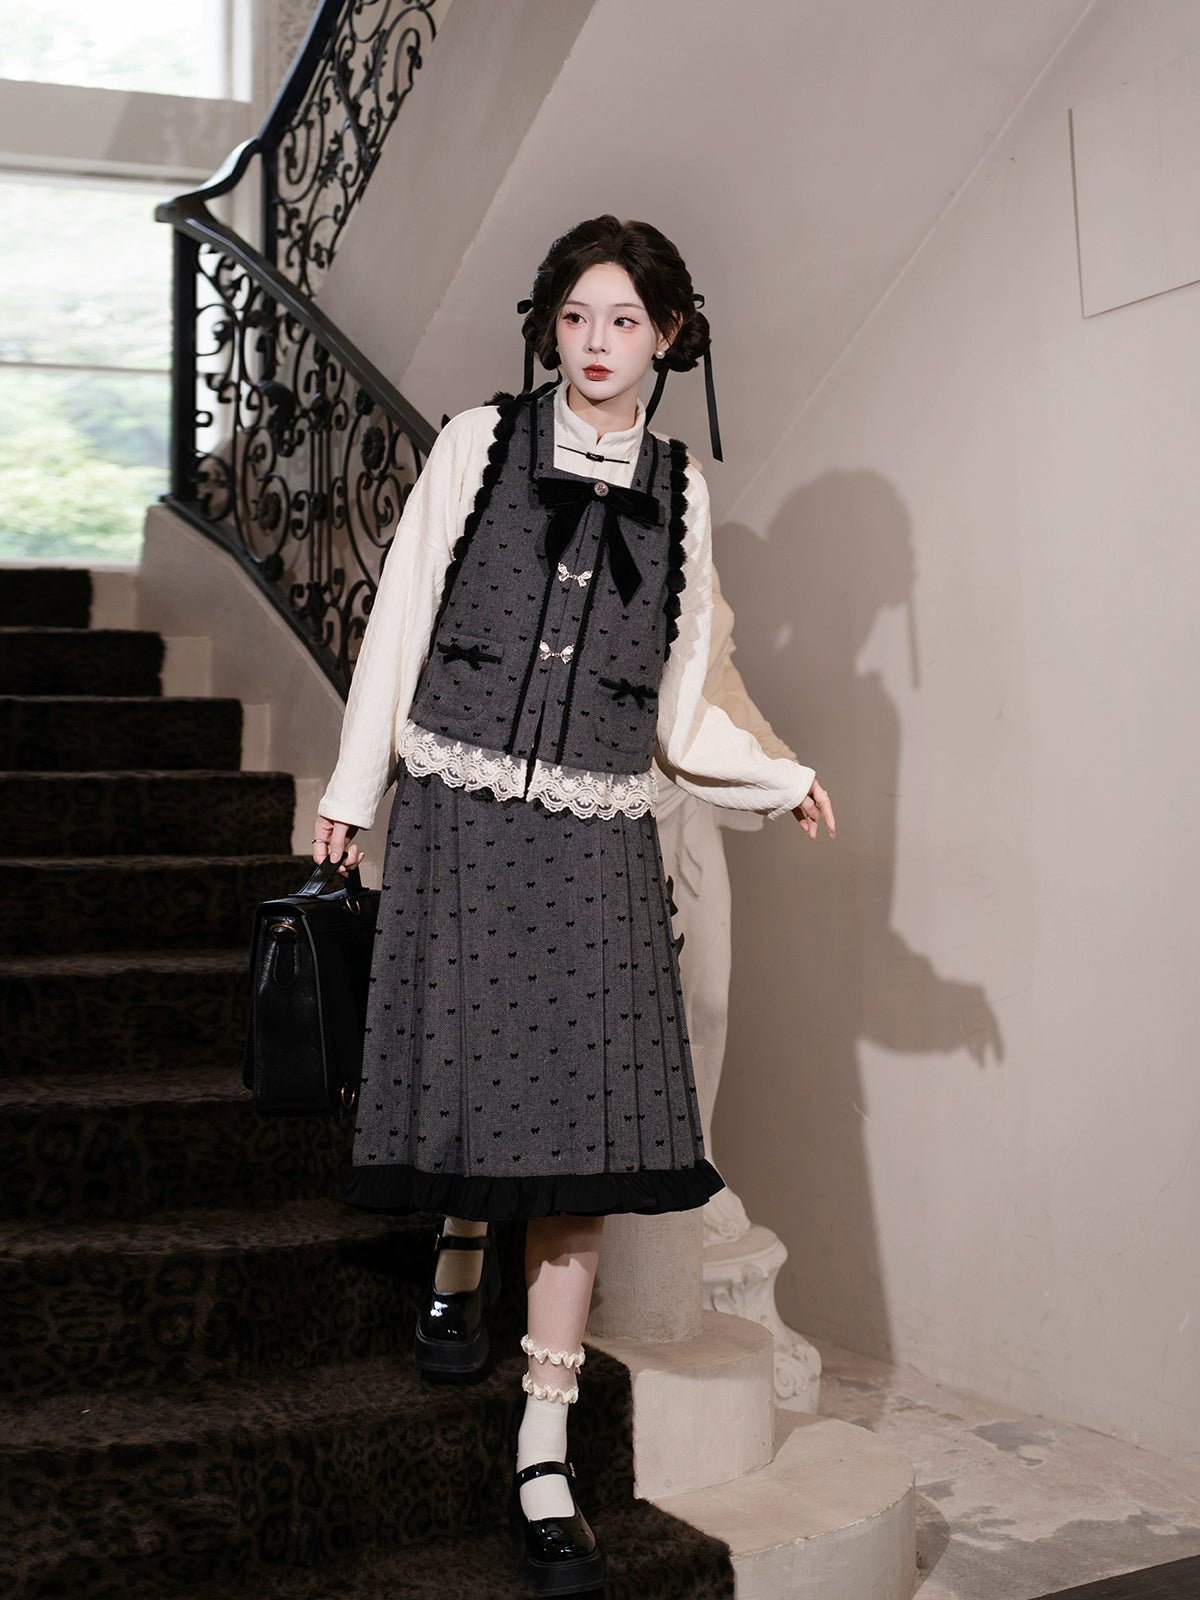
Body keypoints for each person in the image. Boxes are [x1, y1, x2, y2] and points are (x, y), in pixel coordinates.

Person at [312, 215, 835, 1595]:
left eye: (626, 320)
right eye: (578, 317)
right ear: (550, 325)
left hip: (600, 835)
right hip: (462, 811)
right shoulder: (476, 445)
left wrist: (779, 779)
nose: (599, 343)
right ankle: (458, 1246)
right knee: (475, 1076)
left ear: (669, 335)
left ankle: (543, 1450)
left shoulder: (684, 493)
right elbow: (400, 621)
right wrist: (354, 791)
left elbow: (683, 698)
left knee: (581, 1148)